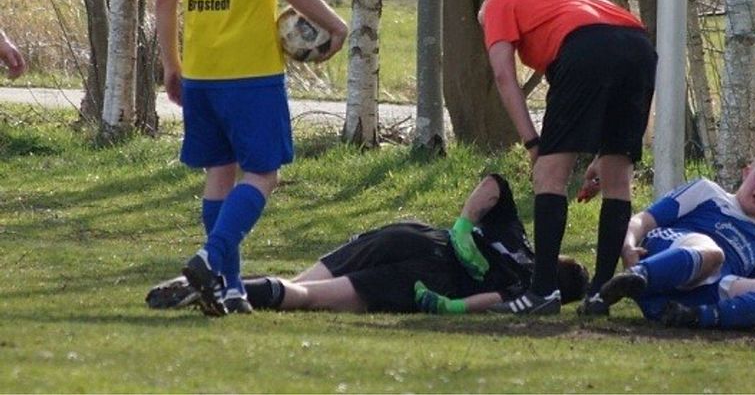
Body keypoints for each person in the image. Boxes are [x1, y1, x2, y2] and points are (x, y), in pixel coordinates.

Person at [154, 0, 348, 316]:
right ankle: (210, 259)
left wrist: (171, 64)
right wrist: (335, 24)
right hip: (251, 70)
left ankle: (231, 288)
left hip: (200, 69)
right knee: (263, 174)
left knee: (219, 173)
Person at [146, 174, 589, 314]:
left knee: (303, 282)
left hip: (414, 234)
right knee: (304, 297)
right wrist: (446, 307)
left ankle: (219, 281)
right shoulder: (527, 288)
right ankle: (236, 292)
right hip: (425, 278)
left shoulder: (519, 240)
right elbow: (485, 301)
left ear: (560, 257)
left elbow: (494, 184)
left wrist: (462, 224)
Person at [477, 0, 657, 315]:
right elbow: (612, 49)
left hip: (586, 47)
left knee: (549, 175)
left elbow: (503, 76)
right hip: (639, 46)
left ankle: (542, 291)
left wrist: (533, 145)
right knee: (617, 180)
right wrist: (603, 155)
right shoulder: (560, 1)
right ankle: (601, 293)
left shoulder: (500, 2)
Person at [598, 145, 755, 329]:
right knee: (713, 253)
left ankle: (694, 317)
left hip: (699, 293)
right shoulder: (707, 192)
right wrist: (628, 247)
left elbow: (743, 293)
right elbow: (642, 220)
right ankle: (636, 279)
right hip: (665, 259)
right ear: (747, 172)